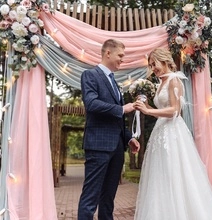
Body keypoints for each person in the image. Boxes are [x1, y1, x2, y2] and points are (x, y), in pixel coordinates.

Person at [133, 48, 212, 220]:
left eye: (155, 64)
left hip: (173, 133)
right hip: (160, 133)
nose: (153, 68)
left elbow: (175, 110)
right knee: (160, 176)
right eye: (151, 65)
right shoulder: (160, 82)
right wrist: (143, 105)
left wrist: (149, 111)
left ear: (165, 60)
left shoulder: (175, 80)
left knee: (175, 172)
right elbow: (162, 108)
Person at [78, 39, 140, 220]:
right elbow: (91, 103)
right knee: (90, 198)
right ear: (108, 53)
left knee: (108, 199)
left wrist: (128, 138)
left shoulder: (114, 82)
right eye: (120, 55)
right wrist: (122, 108)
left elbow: (117, 120)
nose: (122, 59)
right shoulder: (90, 75)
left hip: (117, 149)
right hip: (98, 146)